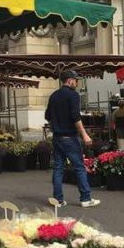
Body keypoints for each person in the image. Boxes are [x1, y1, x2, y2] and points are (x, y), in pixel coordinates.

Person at [45, 70, 100, 208]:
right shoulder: (73, 95)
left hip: (57, 137)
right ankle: (86, 198)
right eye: (76, 80)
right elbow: (76, 117)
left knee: (58, 168)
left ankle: (58, 200)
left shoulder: (54, 96)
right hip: (69, 137)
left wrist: (57, 124)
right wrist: (84, 134)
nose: (77, 83)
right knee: (79, 167)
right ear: (69, 80)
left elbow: (47, 116)